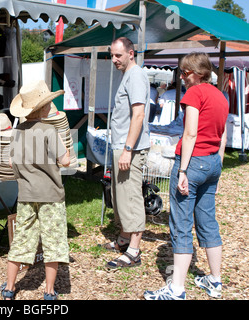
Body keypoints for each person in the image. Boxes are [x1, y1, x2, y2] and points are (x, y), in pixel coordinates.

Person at [144, 52, 228, 300]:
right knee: (208, 221)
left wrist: (182, 171)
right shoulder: (220, 96)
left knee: (181, 225)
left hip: (192, 163)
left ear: (197, 73)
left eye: (185, 72)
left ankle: (177, 289)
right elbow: (222, 134)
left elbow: (190, 133)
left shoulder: (195, 93)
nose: (181, 77)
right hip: (212, 161)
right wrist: (218, 162)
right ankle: (215, 280)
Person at [1, 80, 70, 300]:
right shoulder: (50, 131)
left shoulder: (17, 132)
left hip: (26, 195)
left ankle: (10, 287)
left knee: (21, 240)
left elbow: (12, 163)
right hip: (51, 195)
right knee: (53, 242)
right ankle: (49, 291)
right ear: (44, 108)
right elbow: (65, 160)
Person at [100, 37, 150, 270]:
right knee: (120, 195)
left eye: (118, 55)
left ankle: (134, 251)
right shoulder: (127, 75)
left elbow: (138, 114)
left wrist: (128, 149)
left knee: (130, 196)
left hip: (130, 147)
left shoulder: (136, 75)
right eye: (112, 55)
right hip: (122, 145)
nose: (114, 60)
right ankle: (123, 238)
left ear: (131, 53)